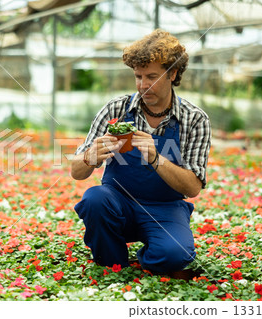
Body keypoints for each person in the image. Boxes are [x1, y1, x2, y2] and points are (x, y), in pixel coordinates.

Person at [70, 29, 211, 277]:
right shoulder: (116, 109)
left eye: (152, 77)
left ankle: (150, 255)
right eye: (138, 76)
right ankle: (113, 262)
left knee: (175, 254)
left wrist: (157, 159)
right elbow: (76, 172)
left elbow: (192, 188)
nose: (143, 85)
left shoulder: (194, 119)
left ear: (173, 73)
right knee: (94, 199)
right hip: (117, 202)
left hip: (164, 208)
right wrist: (89, 158)